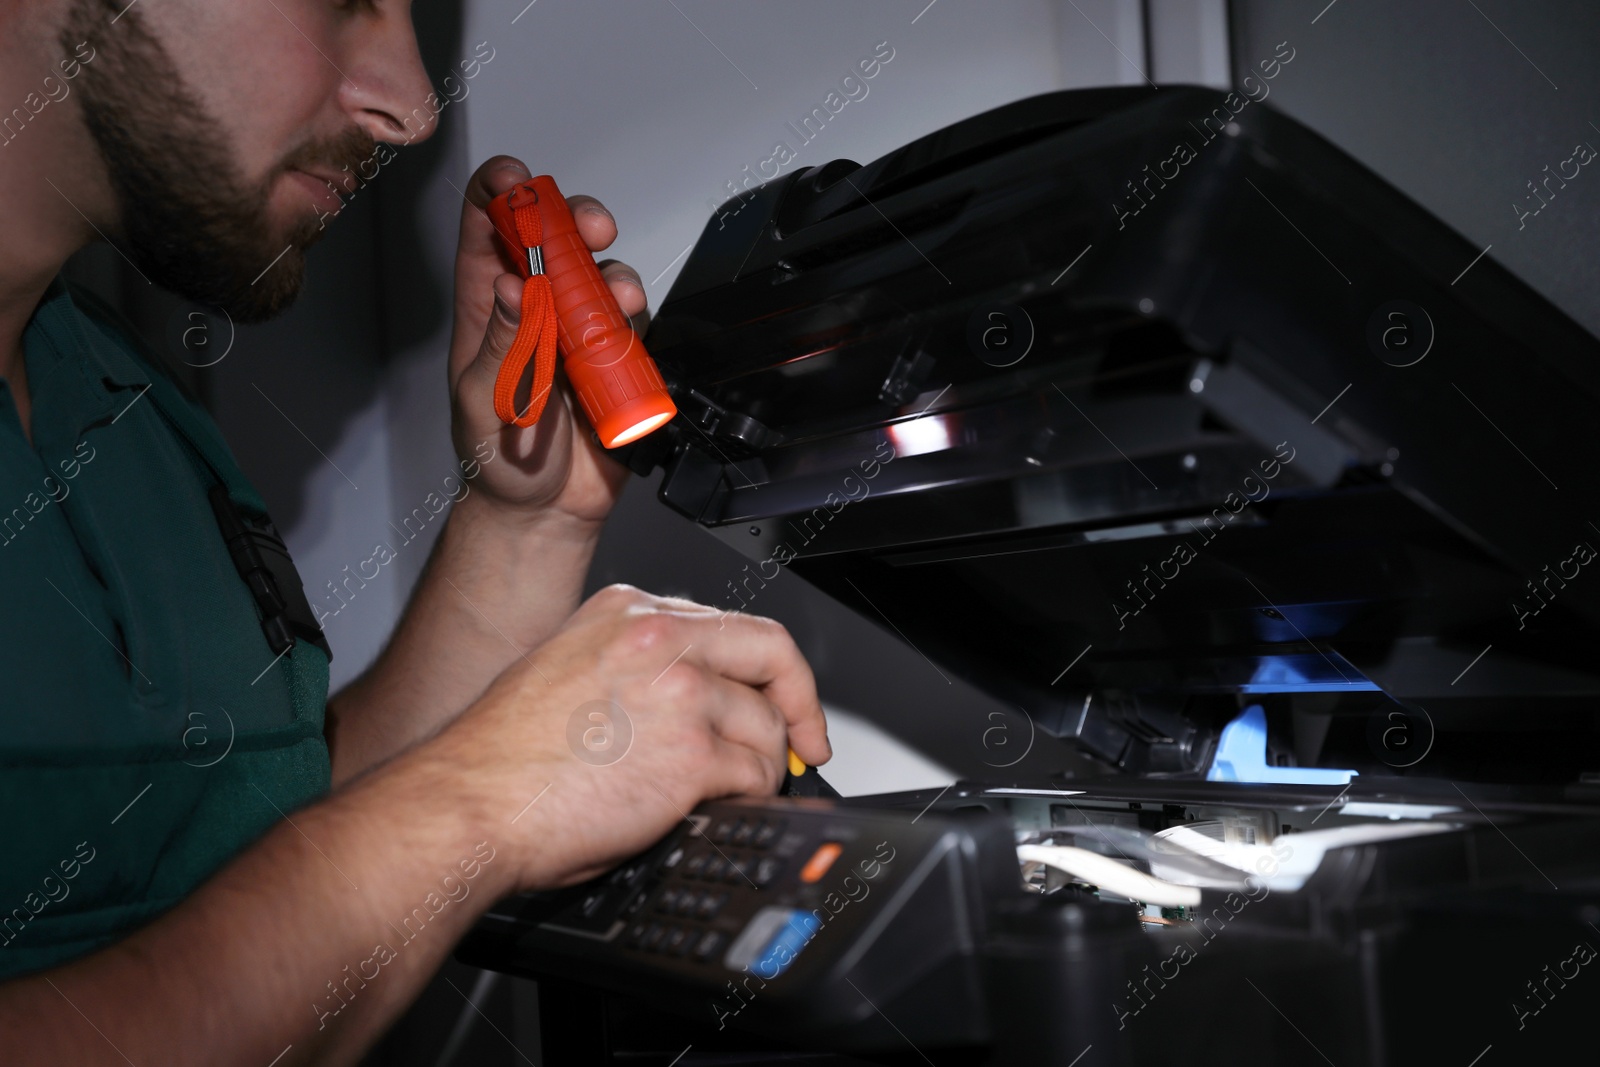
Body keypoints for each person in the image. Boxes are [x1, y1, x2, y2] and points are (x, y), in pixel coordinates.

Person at [0, 0, 831, 1062]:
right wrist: (469, 804)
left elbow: (252, 861)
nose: (412, 107)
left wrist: (520, 520)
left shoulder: (131, 407)